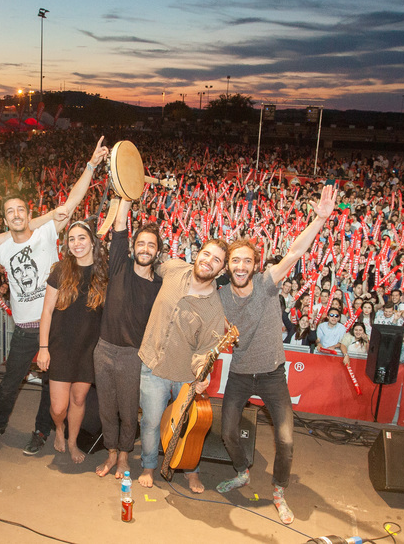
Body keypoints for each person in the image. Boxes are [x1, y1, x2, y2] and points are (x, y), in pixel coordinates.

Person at [216, 184, 336, 525]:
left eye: (246, 261)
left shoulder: (268, 283)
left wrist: (319, 220)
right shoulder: (221, 295)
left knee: (286, 440)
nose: (240, 266)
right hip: (239, 374)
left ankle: (279, 491)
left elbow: (295, 252)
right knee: (227, 432)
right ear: (228, 265)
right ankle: (242, 471)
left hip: (272, 375)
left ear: (256, 264)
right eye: (235, 261)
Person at [0, 138, 108, 454]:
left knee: (50, 387)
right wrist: (11, 232)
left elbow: (73, 201)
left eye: (21, 209)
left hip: (55, 326)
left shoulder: (48, 231)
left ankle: (40, 431)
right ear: (5, 219)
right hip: (24, 331)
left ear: (29, 212)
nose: (17, 214)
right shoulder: (3, 247)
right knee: (10, 384)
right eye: (10, 212)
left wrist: (91, 165)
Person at [138, 237, 229, 493]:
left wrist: (203, 373)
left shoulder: (214, 309)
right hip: (152, 364)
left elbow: (205, 351)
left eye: (216, 260)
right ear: (197, 253)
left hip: (183, 374)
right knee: (151, 422)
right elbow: (147, 268)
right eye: (206, 254)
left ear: (221, 270)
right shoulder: (173, 268)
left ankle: (191, 470)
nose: (208, 261)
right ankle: (148, 466)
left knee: (189, 426)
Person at [93, 199, 163, 478]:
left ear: (157, 252)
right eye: (141, 243)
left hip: (133, 356)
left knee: (127, 410)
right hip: (104, 349)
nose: (145, 249)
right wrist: (126, 192)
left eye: (151, 245)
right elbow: (120, 225)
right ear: (133, 247)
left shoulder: (160, 285)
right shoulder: (119, 265)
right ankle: (111, 453)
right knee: (107, 409)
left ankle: (124, 456)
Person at [36, 220, 108, 463]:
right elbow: (46, 312)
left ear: (92, 242)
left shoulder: (102, 273)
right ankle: (59, 428)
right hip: (60, 346)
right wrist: (43, 348)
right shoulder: (61, 270)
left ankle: (72, 441)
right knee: (58, 408)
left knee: (78, 400)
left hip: (88, 349)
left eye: (82, 238)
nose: (76, 243)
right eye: (72, 239)